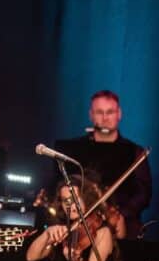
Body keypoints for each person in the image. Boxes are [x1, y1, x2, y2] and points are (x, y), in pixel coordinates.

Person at [53, 90, 151, 239]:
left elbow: (144, 194)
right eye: (99, 112)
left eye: (110, 112)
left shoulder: (135, 152)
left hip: (121, 225)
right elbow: (60, 186)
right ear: (91, 115)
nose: (105, 118)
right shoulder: (73, 150)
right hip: (81, 224)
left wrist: (117, 214)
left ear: (119, 114)